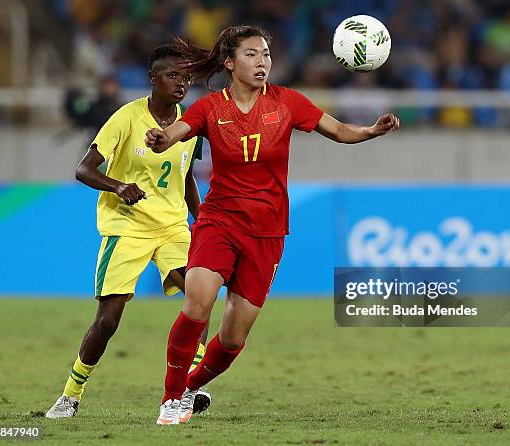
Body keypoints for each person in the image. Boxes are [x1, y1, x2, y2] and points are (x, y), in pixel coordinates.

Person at [145, 26, 400, 425]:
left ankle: (191, 387)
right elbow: (176, 132)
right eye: (251, 54)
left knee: (233, 338)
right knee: (197, 302)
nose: (262, 61)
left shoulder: (287, 102)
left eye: (265, 54)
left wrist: (370, 131)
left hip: (267, 231)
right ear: (230, 63)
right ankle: (171, 397)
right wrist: (161, 139)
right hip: (219, 221)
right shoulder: (211, 107)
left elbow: (337, 130)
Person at [45, 44, 212, 421]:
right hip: (128, 226)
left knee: (199, 295)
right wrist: (118, 186)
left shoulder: (191, 124)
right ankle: (71, 395)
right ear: (152, 79)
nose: (181, 83)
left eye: (186, 77)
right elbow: (83, 169)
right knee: (108, 321)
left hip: (172, 226)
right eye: (173, 76)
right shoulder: (126, 118)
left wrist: (201, 220)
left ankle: (191, 385)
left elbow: (186, 179)